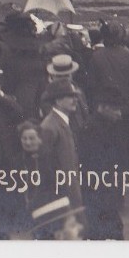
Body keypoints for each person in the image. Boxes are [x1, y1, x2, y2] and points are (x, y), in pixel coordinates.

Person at [80, 86, 128, 240]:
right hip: (98, 195)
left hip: (107, 193)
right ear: (103, 108)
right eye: (116, 109)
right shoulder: (90, 130)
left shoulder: (109, 125)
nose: (119, 114)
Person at [39, 80, 84, 219]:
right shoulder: (50, 126)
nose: (75, 100)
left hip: (70, 193)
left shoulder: (62, 122)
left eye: (75, 96)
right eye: (70, 96)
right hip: (61, 198)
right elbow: (46, 168)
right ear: (58, 100)